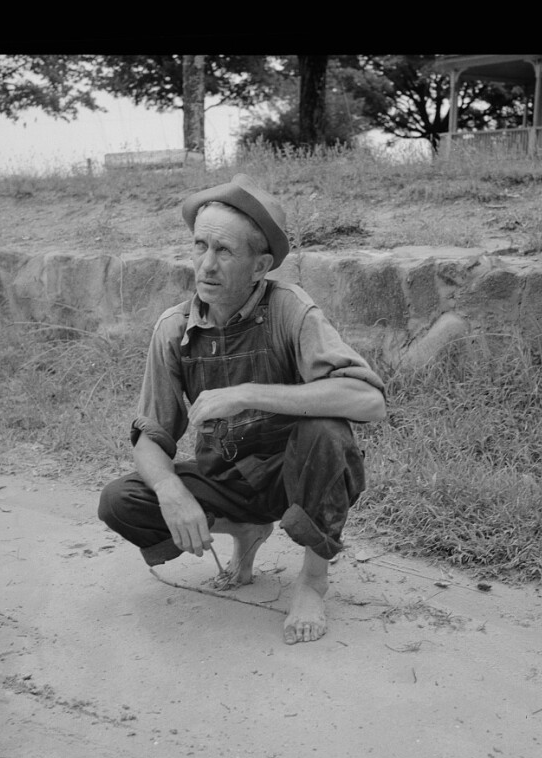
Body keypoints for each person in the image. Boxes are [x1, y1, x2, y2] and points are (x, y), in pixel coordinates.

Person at [98, 174, 386, 644]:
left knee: (328, 434)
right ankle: (247, 529)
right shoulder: (174, 329)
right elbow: (151, 436)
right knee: (121, 501)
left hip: (295, 475)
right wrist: (171, 490)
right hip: (229, 478)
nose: (206, 266)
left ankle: (312, 580)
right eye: (199, 246)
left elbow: (368, 401)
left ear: (260, 266)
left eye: (225, 252)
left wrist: (248, 393)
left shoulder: (292, 310)